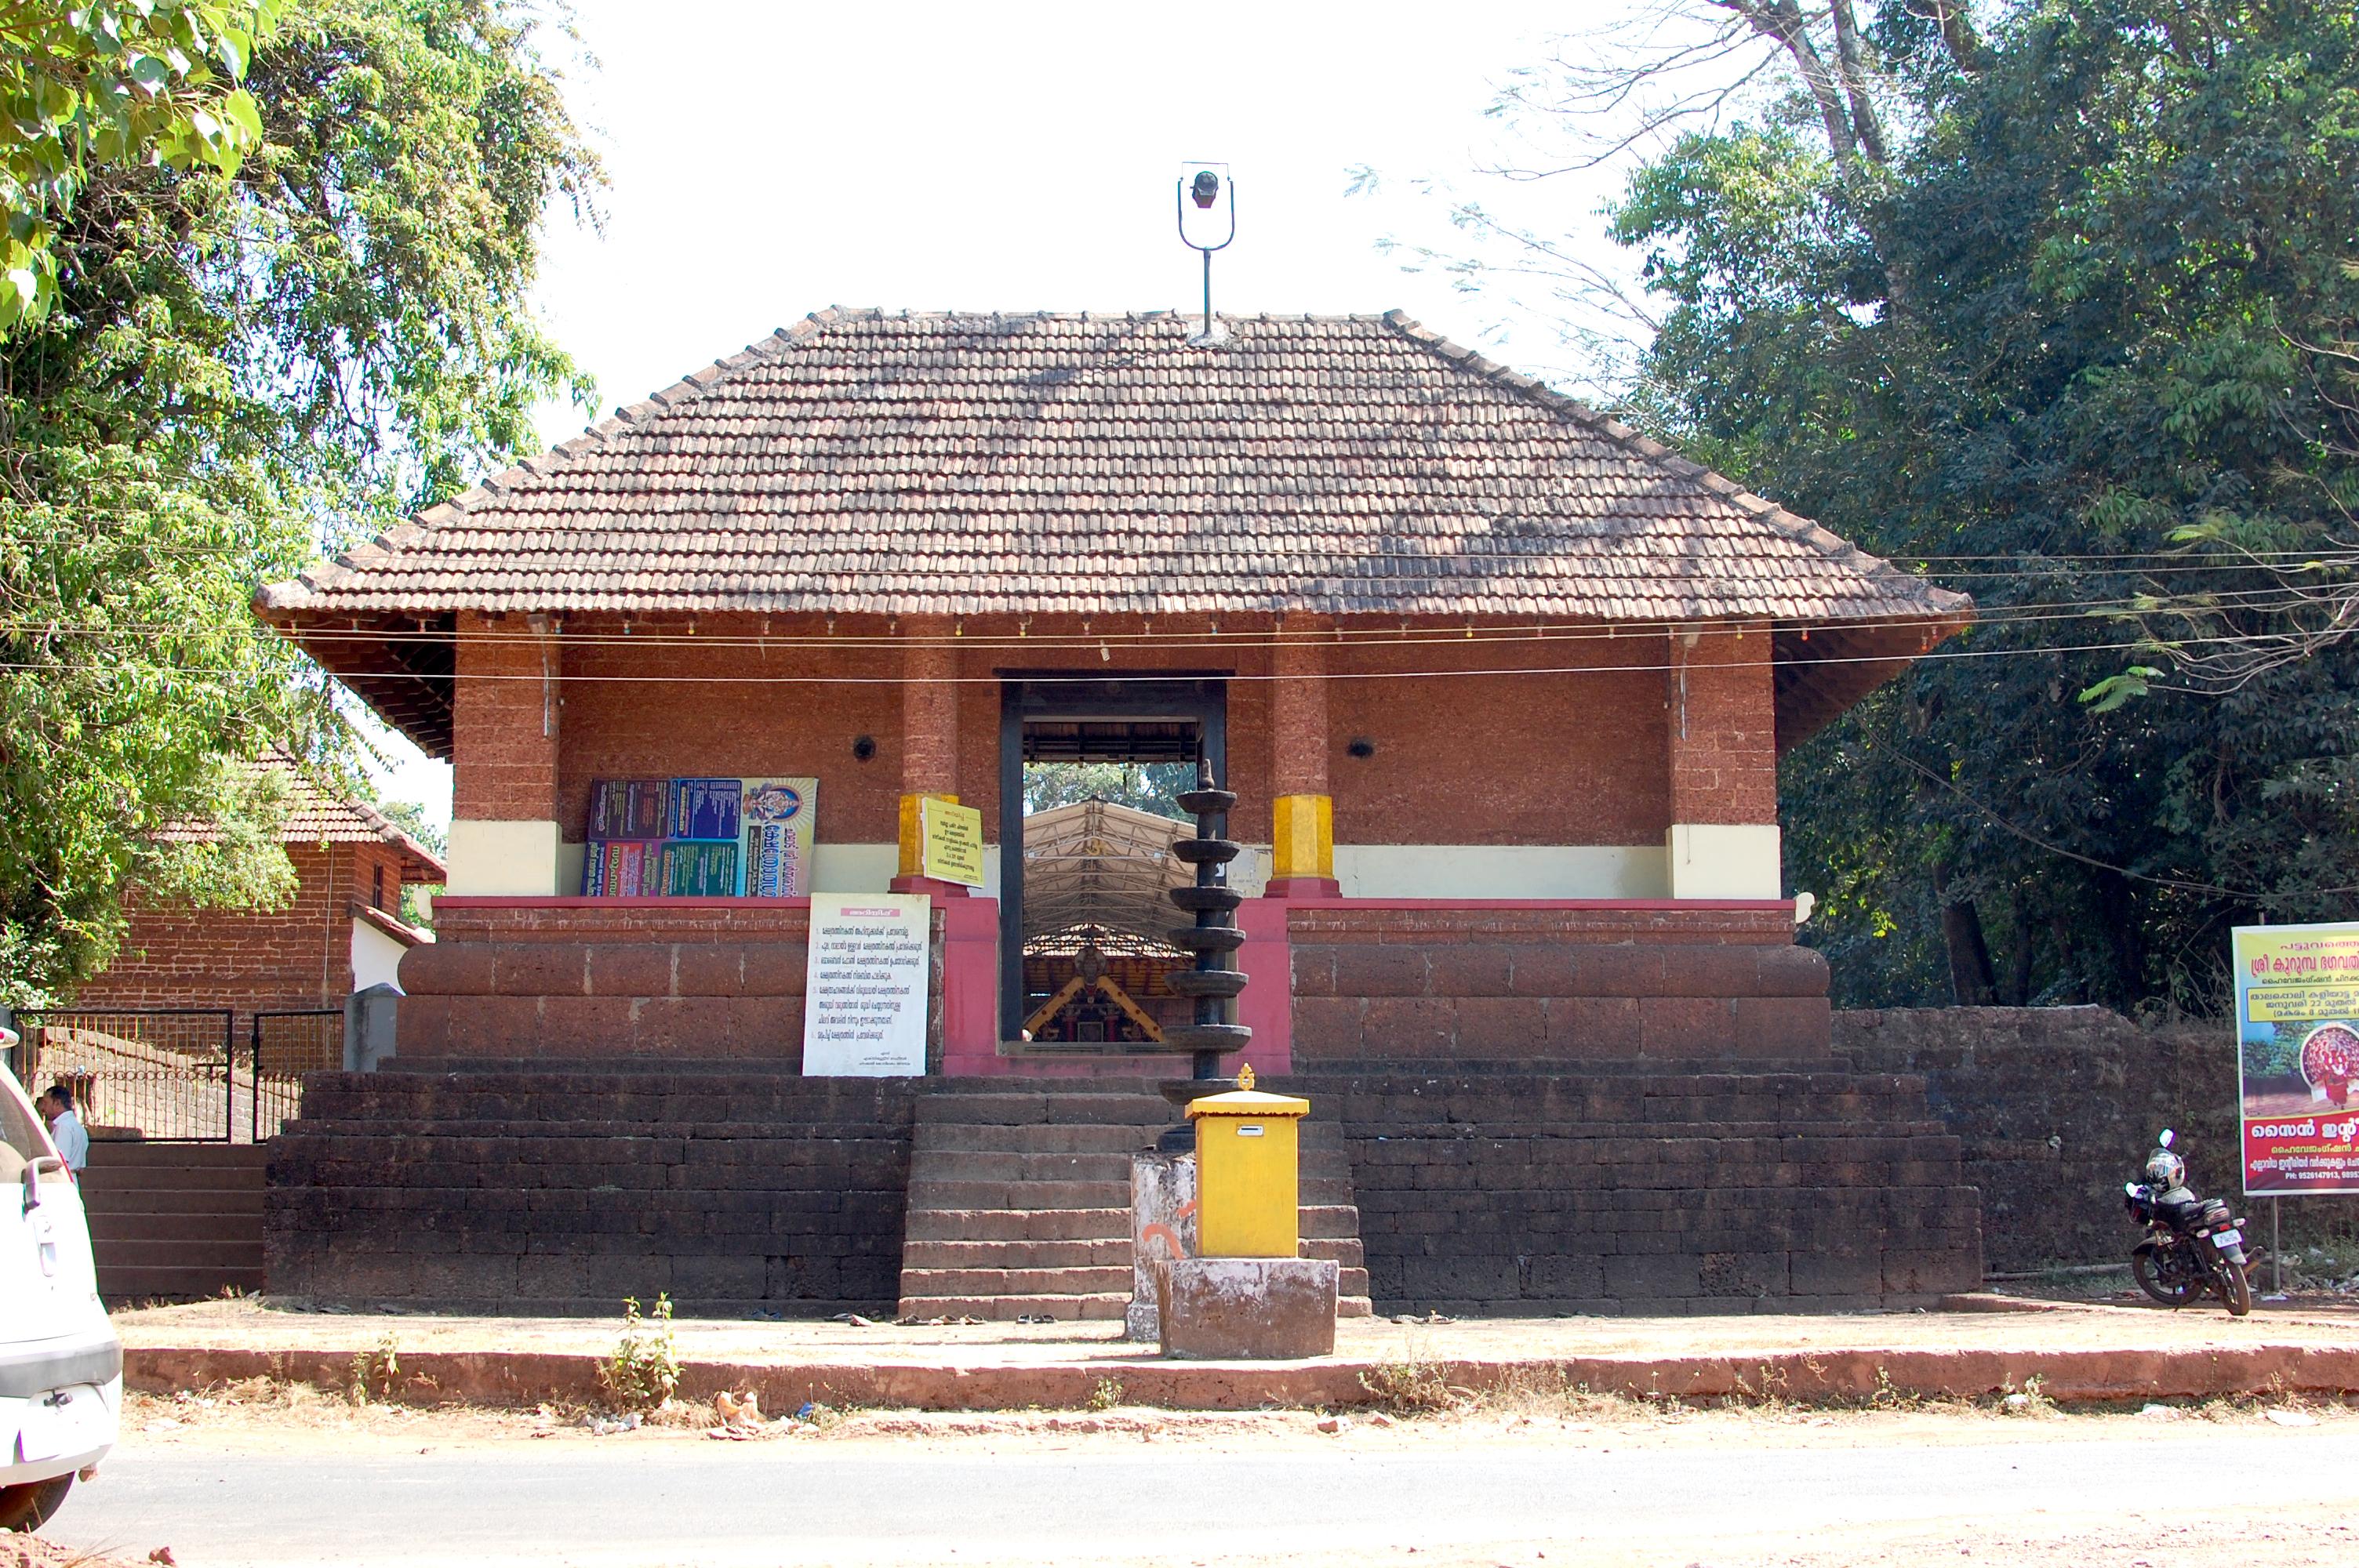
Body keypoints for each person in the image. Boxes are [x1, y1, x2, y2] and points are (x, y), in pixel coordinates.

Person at [37, 1082, 89, 1174]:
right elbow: (81, 1170)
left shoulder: (63, 1127)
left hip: (60, 1181)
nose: (43, 1108)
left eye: (46, 1103)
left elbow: (58, 1163)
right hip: (72, 1181)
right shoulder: (80, 1129)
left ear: (57, 1103)